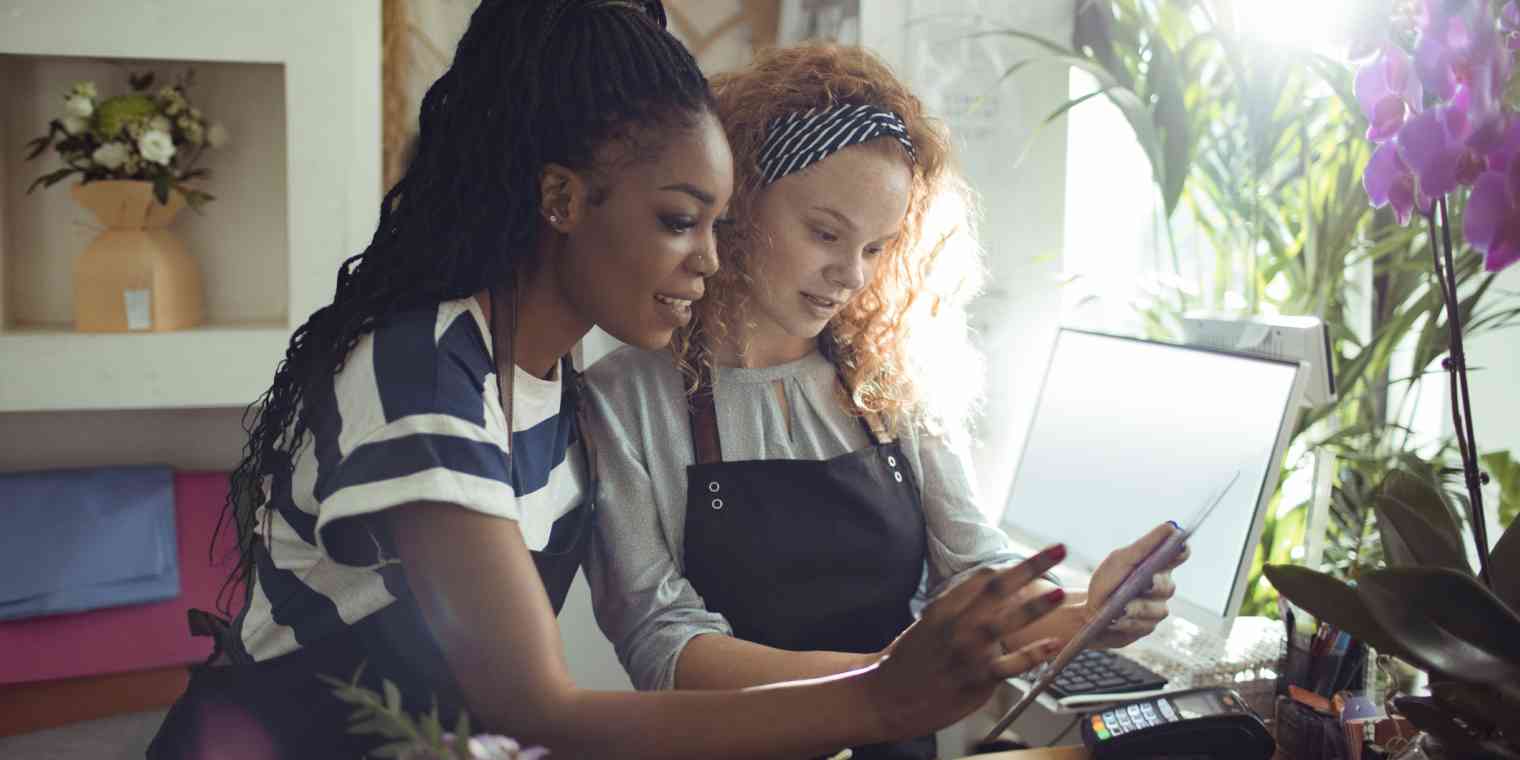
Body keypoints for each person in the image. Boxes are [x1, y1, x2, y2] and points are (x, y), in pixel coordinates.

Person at [148, 5, 1069, 758]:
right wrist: (877, 699)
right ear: (561, 200)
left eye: (717, 223)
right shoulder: (422, 373)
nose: (711, 260)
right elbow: (539, 710)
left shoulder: (546, 378)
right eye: (679, 220)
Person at [583, 43, 1190, 760]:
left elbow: (974, 580)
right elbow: (664, 646)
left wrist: (1095, 614)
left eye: (877, 248)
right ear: (739, 203)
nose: (850, 275)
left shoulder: (891, 380)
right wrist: (883, 687)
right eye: (825, 233)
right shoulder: (623, 397)